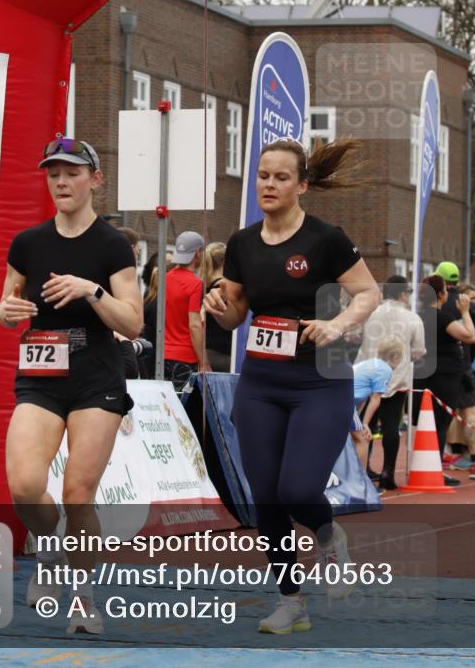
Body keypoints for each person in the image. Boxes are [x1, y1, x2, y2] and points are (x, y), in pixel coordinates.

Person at [204, 138, 381, 635]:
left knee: (298, 488)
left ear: (302, 185)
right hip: (260, 380)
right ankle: (290, 601)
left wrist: (339, 324)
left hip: (319, 381)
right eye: (263, 175)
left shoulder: (326, 239)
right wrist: (223, 309)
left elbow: (367, 292)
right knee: (265, 498)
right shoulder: (241, 243)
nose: (269, 185)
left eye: (281, 177)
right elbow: (237, 310)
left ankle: (328, 537)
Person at [0, 138, 143, 635]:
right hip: (41, 374)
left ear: (94, 180)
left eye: (72, 173)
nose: (61, 181)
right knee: (23, 487)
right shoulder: (29, 243)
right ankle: (49, 547)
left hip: (96, 378)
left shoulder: (111, 245)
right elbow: (4, 306)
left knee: (78, 492)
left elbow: (134, 323)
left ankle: (82, 597)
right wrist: (6, 311)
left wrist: (91, 289)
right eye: (53, 173)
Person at [355, 275, 426, 491]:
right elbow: (418, 351)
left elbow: (354, 337)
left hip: (367, 376)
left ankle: (362, 472)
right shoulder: (413, 318)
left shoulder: (369, 314)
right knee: (391, 427)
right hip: (397, 377)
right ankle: (388, 472)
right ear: (403, 294)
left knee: (363, 427)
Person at [414, 275, 475, 485]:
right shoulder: (442, 317)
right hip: (443, 376)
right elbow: (469, 336)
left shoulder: (418, 316)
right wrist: (465, 312)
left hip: (421, 374)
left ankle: (425, 466)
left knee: (425, 423)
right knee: (439, 424)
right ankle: (434, 471)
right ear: (441, 294)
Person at [435, 263, 475, 479]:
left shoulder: (435, 303)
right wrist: (468, 360)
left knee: (438, 417)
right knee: (471, 415)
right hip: (463, 366)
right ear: (457, 280)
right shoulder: (468, 304)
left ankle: (437, 461)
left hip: (439, 366)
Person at [351, 336, 404, 475]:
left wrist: (360, 420)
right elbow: (375, 398)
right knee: (362, 438)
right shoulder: (385, 370)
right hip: (345, 403)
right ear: (395, 357)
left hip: (341, 400)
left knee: (350, 439)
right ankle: (361, 481)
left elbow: (362, 396)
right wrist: (366, 424)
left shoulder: (369, 363)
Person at [164, 231, 209, 392]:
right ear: (197, 253)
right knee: (184, 410)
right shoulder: (195, 284)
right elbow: (194, 325)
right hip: (184, 357)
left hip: (162, 356)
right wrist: (204, 362)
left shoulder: (165, 278)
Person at [202, 242, 231, 372]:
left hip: (209, 351)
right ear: (225, 262)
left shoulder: (205, 288)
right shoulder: (222, 289)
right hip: (223, 354)